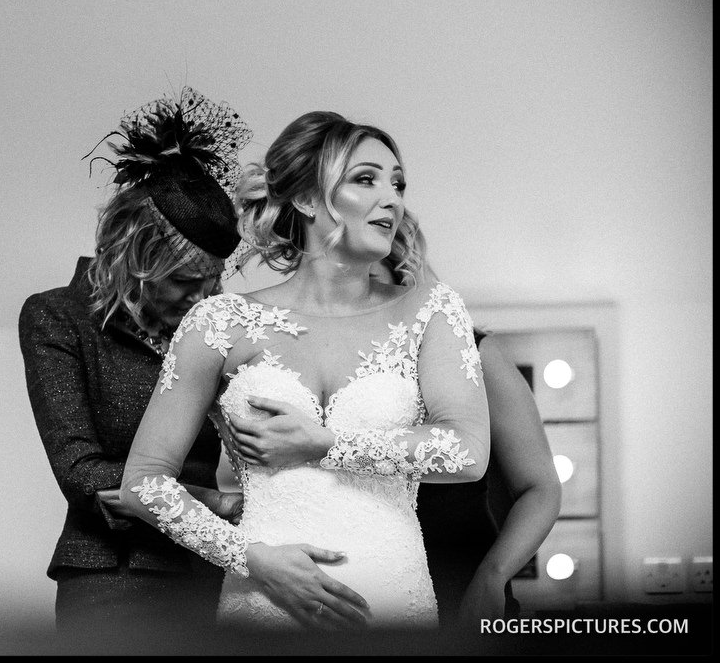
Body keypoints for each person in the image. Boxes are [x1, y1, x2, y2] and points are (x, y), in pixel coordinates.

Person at [120, 110, 491, 632]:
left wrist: (325, 444)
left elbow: (467, 453)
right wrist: (250, 557)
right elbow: (143, 483)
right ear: (308, 198)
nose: (392, 198)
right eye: (366, 179)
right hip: (264, 605)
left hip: (391, 604)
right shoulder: (218, 322)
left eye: (398, 183)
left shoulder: (433, 311)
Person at [21, 87, 369, 638]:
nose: (200, 298)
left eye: (211, 283)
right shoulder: (57, 317)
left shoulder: (209, 323)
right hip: (115, 579)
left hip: (216, 570)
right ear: (134, 258)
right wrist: (217, 503)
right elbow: (82, 473)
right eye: (185, 282)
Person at [225, 257, 561, 629]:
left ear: (402, 287)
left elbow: (540, 488)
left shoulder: (475, 353)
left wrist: (493, 576)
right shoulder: (303, 348)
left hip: (463, 568)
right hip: (361, 573)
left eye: (370, 284)